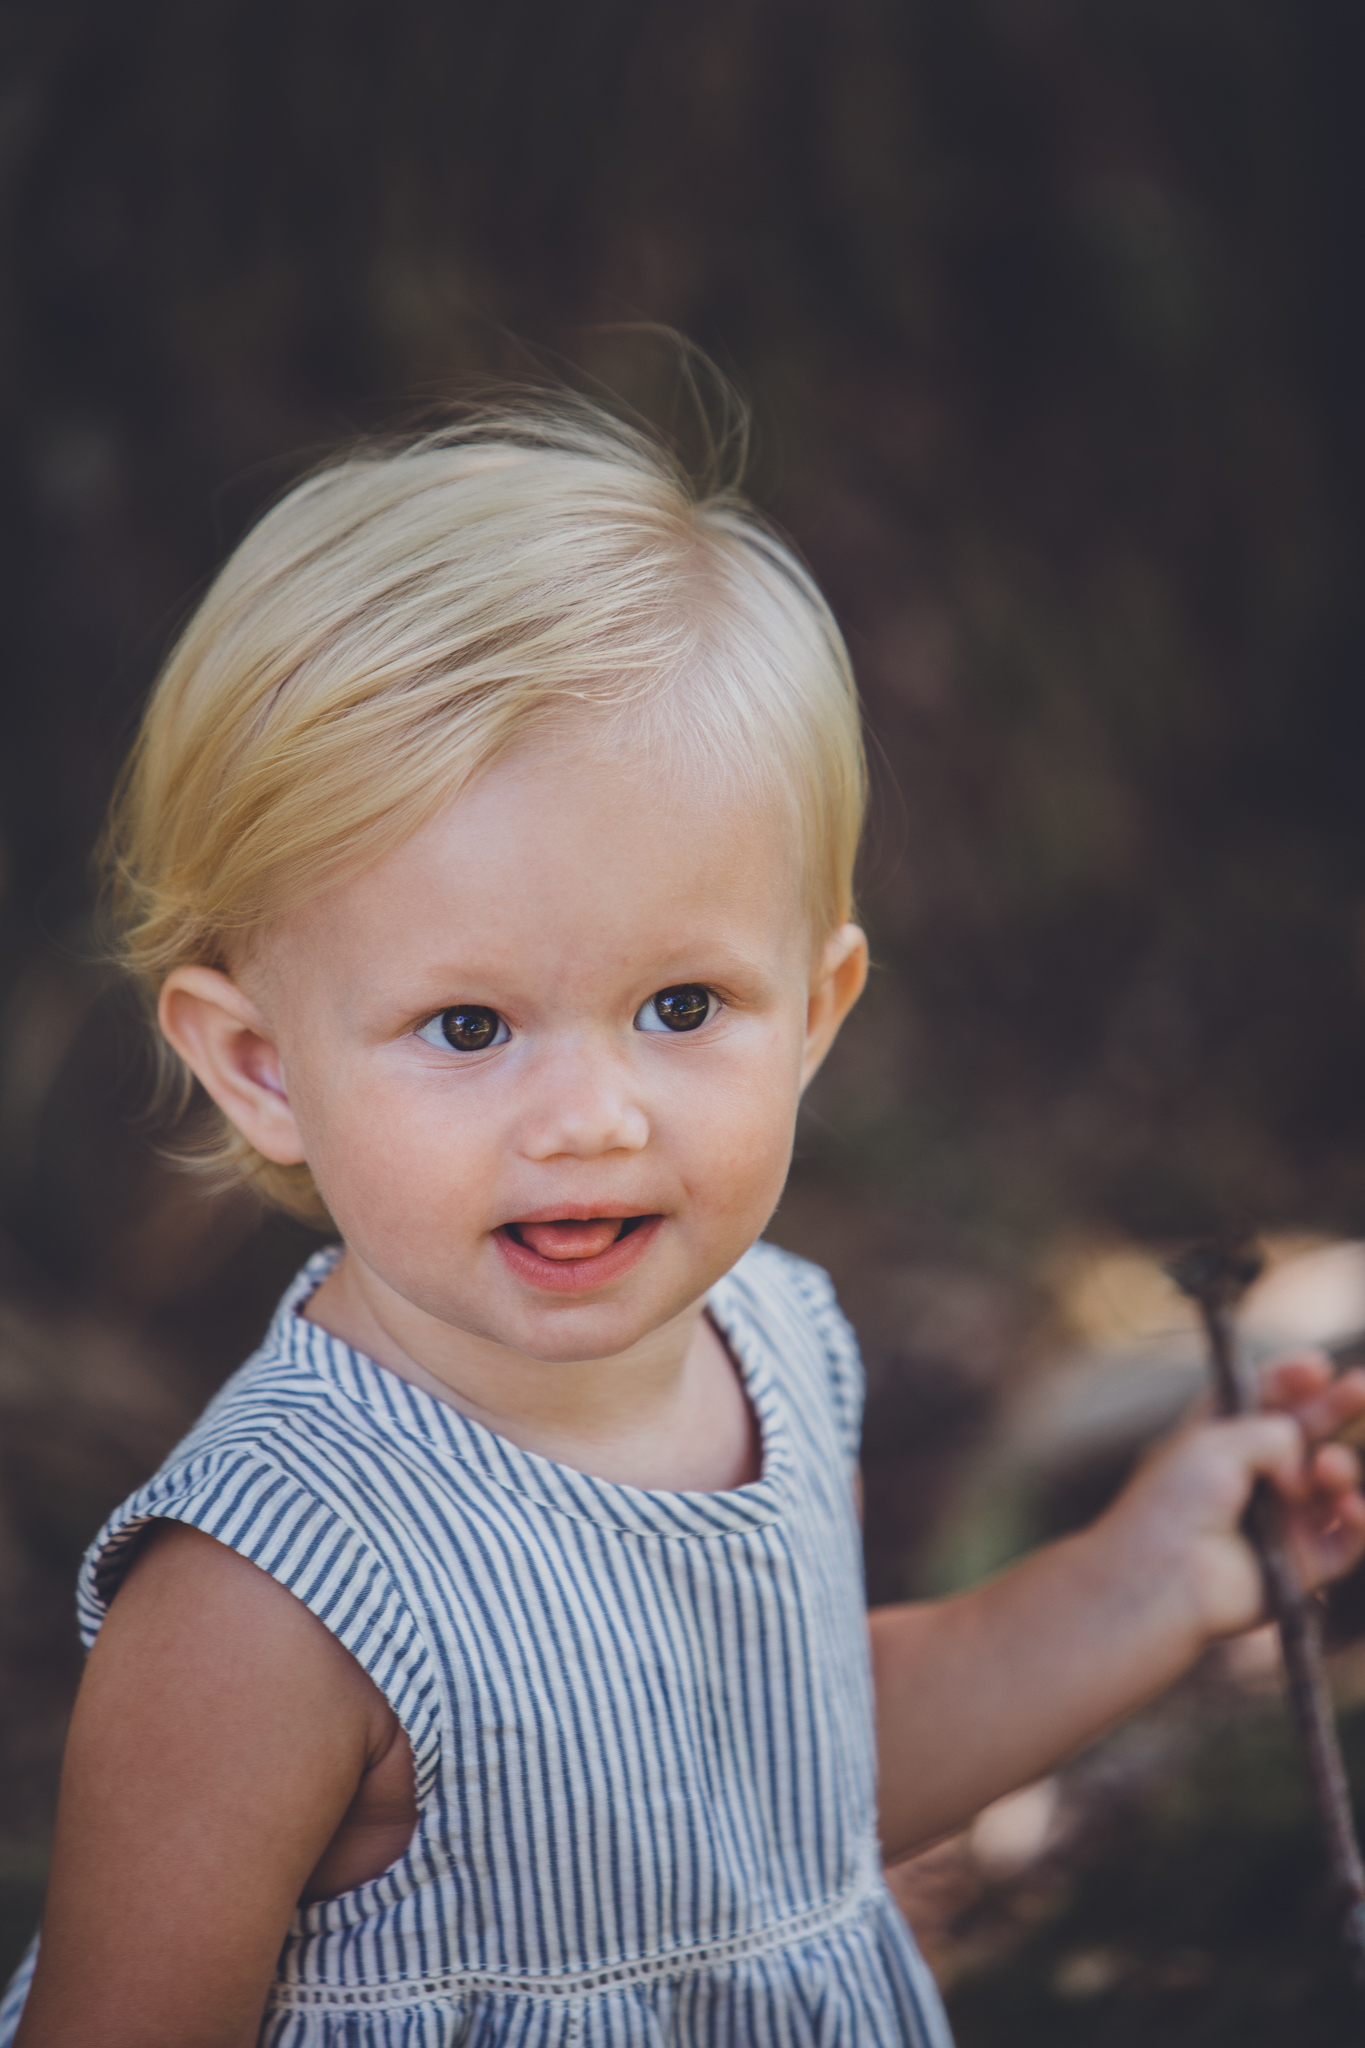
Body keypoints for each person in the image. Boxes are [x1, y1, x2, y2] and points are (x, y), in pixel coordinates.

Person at [4, 390, 1364, 2048]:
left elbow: (782, 1800)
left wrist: (1142, 1583)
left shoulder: (779, 1340)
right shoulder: (265, 1598)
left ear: (815, 1010)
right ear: (260, 1067)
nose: (592, 1117)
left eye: (680, 1005)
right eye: (467, 1026)